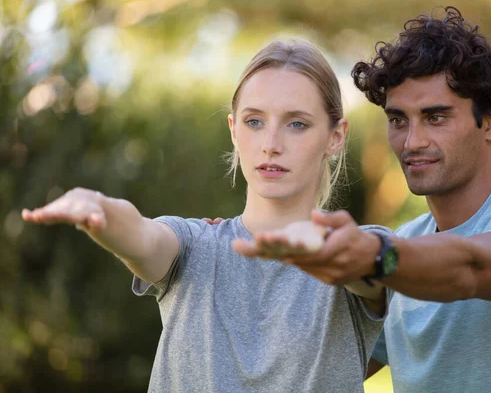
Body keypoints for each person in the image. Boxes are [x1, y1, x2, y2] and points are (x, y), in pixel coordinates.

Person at [234, 7, 491, 393]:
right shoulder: (404, 248)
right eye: (398, 120)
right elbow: (312, 374)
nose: (412, 142)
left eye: (435, 118)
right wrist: (212, 257)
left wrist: (378, 256)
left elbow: (470, 269)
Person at [21, 39, 389, 392]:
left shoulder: (365, 247)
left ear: (335, 136)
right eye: (254, 121)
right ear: (233, 130)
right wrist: (99, 208)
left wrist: (337, 254)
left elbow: (378, 267)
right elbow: (142, 236)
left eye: (296, 124)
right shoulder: (193, 244)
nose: (271, 144)